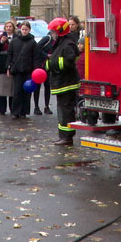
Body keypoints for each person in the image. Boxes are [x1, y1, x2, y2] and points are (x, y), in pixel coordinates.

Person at [46, 18, 80, 146]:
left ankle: (67, 137)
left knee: (66, 111)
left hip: (67, 83)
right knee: (62, 111)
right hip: (61, 83)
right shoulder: (60, 43)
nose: (52, 34)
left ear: (60, 31)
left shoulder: (68, 44)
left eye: (53, 32)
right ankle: (63, 136)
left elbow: (68, 62)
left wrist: (52, 63)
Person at [7, 21, 37, 119]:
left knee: (27, 92)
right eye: (23, 29)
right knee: (17, 91)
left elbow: (35, 57)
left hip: (28, 70)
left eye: (26, 30)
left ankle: (24, 111)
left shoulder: (33, 42)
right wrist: (9, 67)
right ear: (20, 29)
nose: (24, 31)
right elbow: (10, 55)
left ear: (29, 30)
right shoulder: (14, 41)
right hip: (17, 70)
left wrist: (35, 70)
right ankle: (16, 111)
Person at [0, 20, 15, 115]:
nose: (8, 28)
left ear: (13, 28)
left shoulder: (16, 37)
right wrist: (1, 42)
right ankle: (2, 109)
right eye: (7, 26)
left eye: (10, 26)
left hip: (13, 63)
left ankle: (13, 108)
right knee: (2, 88)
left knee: (12, 88)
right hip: (2, 64)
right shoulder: (0, 37)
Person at [33, 30, 54, 115]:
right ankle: (36, 107)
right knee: (37, 86)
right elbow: (37, 48)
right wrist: (46, 55)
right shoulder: (47, 38)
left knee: (47, 86)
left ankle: (46, 106)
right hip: (40, 65)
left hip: (47, 66)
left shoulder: (56, 41)